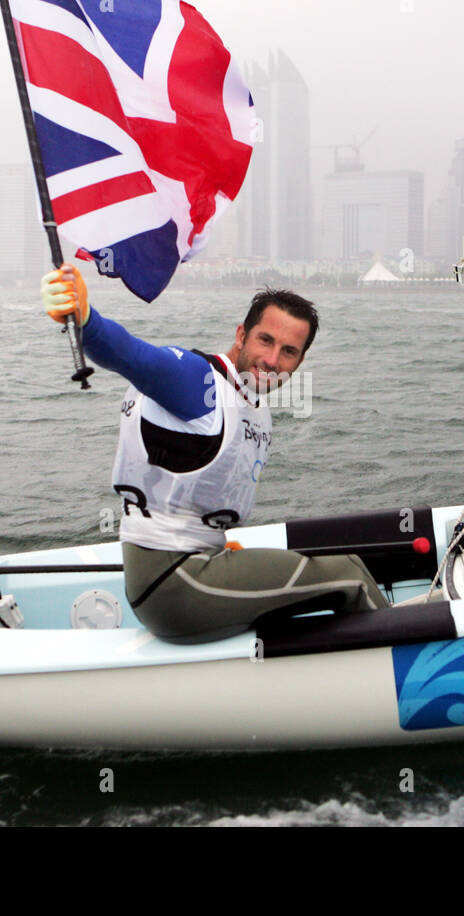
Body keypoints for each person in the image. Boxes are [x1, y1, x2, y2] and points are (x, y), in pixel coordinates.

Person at [43, 263, 390, 644]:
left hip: (187, 573)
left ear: (300, 362)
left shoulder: (251, 405)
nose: (273, 360)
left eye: (289, 351)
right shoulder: (198, 382)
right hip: (175, 582)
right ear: (241, 335)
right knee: (350, 574)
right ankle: (411, 662)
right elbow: (132, 356)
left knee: (322, 571)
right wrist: (85, 319)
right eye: (265, 340)